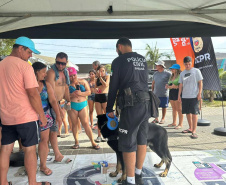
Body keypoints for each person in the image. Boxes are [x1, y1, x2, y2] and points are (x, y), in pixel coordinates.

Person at [0, 36, 50, 185]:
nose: (31, 56)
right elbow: (33, 93)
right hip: (26, 117)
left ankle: (2, 182)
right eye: (29, 52)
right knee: (29, 150)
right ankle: (32, 182)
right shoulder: (25, 66)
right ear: (20, 48)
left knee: (5, 150)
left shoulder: (1, 65)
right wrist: (42, 115)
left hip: (6, 116)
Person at [106, 37, 151, 185]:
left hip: (131, 105)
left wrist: (109, 108)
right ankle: (138, 174)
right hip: (146, 103)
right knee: (141, 139)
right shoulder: (142, 59)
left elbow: (113, 87)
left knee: (127, 142)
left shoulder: (118, 61)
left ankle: (130, 180)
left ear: (119, 47)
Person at [32, 62, 62, 176]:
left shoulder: (46, 84)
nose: (45, 74)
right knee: (29, 144)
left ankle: (43, 165)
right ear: (36, 72)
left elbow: (53, 101)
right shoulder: (27, 84)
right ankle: (30, 165)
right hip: (30, 117)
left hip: (46, 116)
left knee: (44, 141)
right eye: (43, 72)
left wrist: (58, 115)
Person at [46, 52, 71, 163]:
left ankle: (48, 152)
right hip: (52, 104)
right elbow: (51, 94)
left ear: (66, 63)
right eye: (58, 63)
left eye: (63, 63)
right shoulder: (51, 73)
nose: (60, 65)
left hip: (61, 104)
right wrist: (58, 109)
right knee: (52, 130)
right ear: (55, 60)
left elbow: (65, 88)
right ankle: (56, 154)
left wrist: (68, 100)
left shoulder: (65, 72)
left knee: (54, 130)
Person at [67, 67, 100, 150]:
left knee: (86, 124)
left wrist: (81, 93)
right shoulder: (67, 85)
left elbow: (89, 92)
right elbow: (64, 96)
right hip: (73, 106)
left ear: (76, 74)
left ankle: (92, 141)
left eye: (74, 75)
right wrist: (71, 95)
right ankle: (76, 142)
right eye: (70, 76)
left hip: (83, 105)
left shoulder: (83, 81)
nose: (73, 77)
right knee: (74, 124)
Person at [178, 56, 203, 139]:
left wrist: (199, 93)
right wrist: (179, 95)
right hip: (185, 96)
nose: (187, 66)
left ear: (191, 63)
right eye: (186, 64)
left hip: (194, 96)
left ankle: (194, 131)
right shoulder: (182, 73)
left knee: (194, 113)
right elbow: (180, 85)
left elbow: (200, 83)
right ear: (184, 64)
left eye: (189, 64)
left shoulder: (196, 71)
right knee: (187, 113)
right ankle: (190, 128)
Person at [95, 65, 110, 142]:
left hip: (105, 97)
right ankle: (99, 135)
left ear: (105, 71)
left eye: (102, 71)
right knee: (100, 117)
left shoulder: (107, 77)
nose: (101, 72)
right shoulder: (96, 79)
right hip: (97, 97)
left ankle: (106, 134)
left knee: (106, 116)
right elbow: (95, 88)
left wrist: (100, 77)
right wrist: (97, 89)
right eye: (99, 71)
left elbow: (106, 85)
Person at [166, 64, 183, 129]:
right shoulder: (171, 76)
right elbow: (171, 85)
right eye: (171, 69)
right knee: (174, 108)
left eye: (173, 69)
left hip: (177, 92)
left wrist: (175, 86)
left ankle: (180, 124)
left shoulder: (180, 76)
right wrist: (168, 86)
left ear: (176, 69)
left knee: (179, 109)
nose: (171, 70)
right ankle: (174, 122)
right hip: (171, 92)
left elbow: (182, 85)